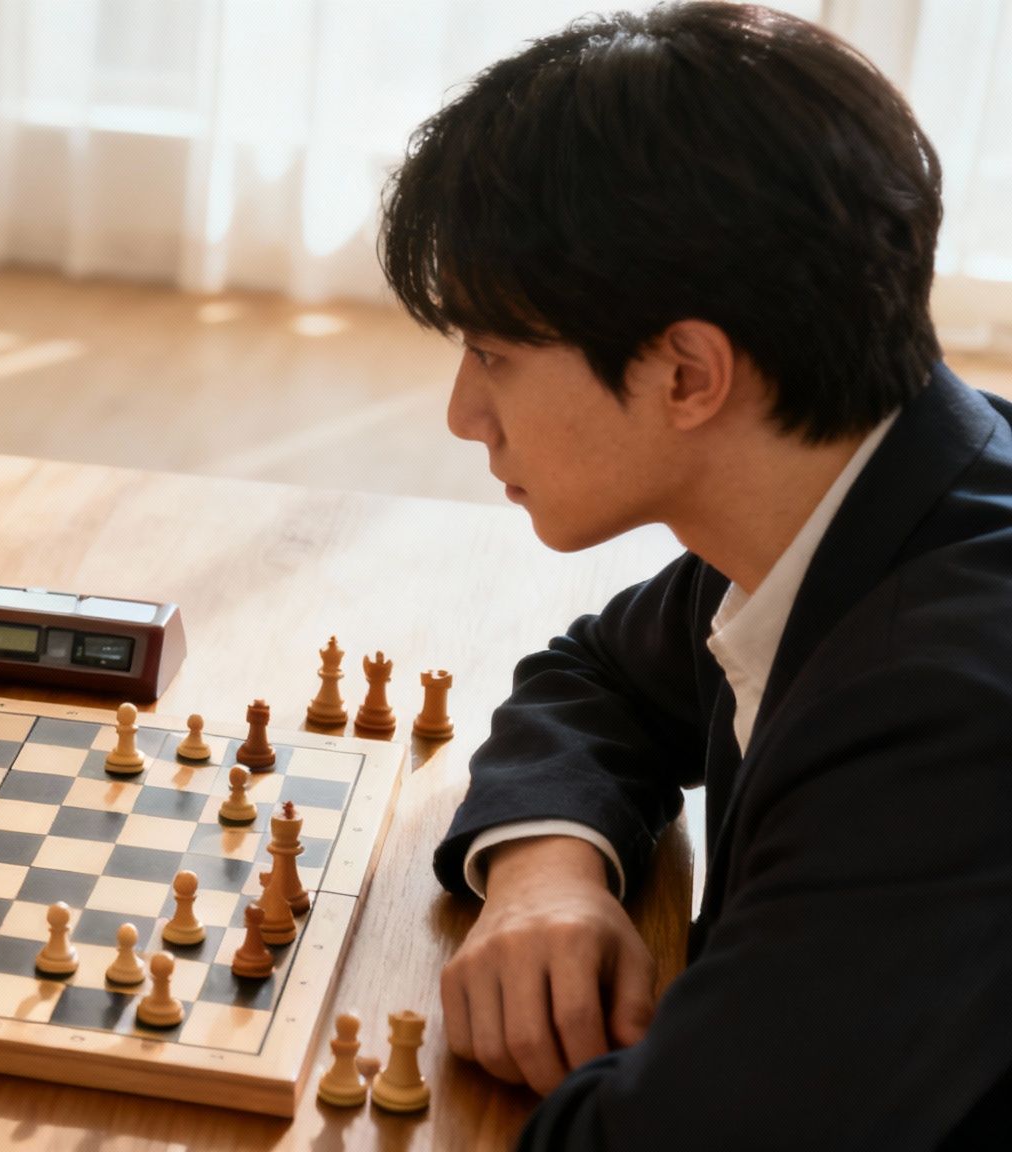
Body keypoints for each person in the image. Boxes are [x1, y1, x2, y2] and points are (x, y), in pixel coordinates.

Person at [378, 3, 1012, 1147]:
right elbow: (596, 677)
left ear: (686, 374)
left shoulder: (945, 708)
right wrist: (545, 871)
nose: (463, 415)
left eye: (492, 354)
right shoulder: (863, 499)